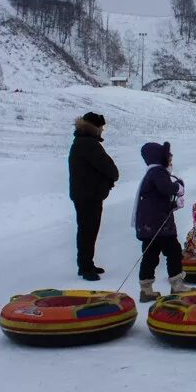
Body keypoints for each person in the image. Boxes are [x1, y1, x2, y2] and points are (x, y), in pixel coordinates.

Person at [68, 112, 119, 281]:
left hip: (85, 194)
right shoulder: (89, 144)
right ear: (94, 127)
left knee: (87, 230)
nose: (102, 130)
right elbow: (109, 168)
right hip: (88, 195)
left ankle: (86, 264)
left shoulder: (81, 142)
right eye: (101, 127)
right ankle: (85, 267)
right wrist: (110, 178)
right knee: (88, 231)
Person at [132, 141, 185, 302]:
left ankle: (146, 289)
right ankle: (177, 285)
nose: (170, 160)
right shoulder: (158, 172)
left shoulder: (151, 173)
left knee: (150, 254)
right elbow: (165, 189)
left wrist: (173, 204)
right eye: (168, 156)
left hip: (149, 224)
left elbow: (157, 198)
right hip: (159, 224)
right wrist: (178, 186)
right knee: (174, 251)